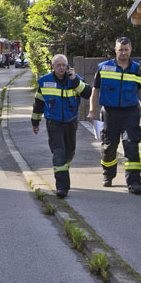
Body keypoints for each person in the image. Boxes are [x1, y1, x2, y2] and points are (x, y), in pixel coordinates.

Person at [86, 37, 141, 194]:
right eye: (120, 49)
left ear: (131, 50)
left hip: (130, 112)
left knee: (131, 145)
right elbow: (95, 90)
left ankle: (134, 183)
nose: (123, 52)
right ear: (115, 50)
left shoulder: (138, 70)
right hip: (110, 112)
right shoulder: (103, 68)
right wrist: (92, 110)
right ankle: (108, 175)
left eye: (126, 49)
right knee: (109, 147)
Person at [31, 54, 92, 198]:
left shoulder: (74, 80)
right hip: (54, 122)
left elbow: (87, 93)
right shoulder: (45, 82)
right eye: (58, 65)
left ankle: (63, 170)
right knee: (58, 153)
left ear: (68, 66)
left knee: (69, 152)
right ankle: (62, 187)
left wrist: (75, 80)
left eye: (64, 65)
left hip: (71, 122)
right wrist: (35, 122)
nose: (61, 68)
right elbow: (38, 103)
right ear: (52, 66)